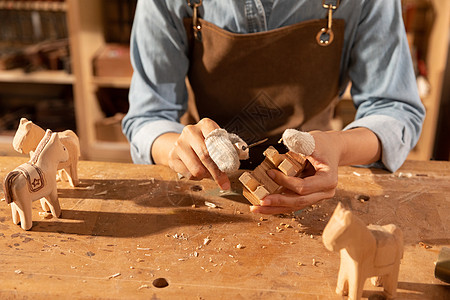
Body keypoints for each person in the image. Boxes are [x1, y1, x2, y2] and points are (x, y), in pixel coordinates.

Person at [122, 0, 425, 215]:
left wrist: (339, 147)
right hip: (212, 184)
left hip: (313, 176)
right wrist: (180, 149)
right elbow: (150, 116)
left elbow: (395, 109)